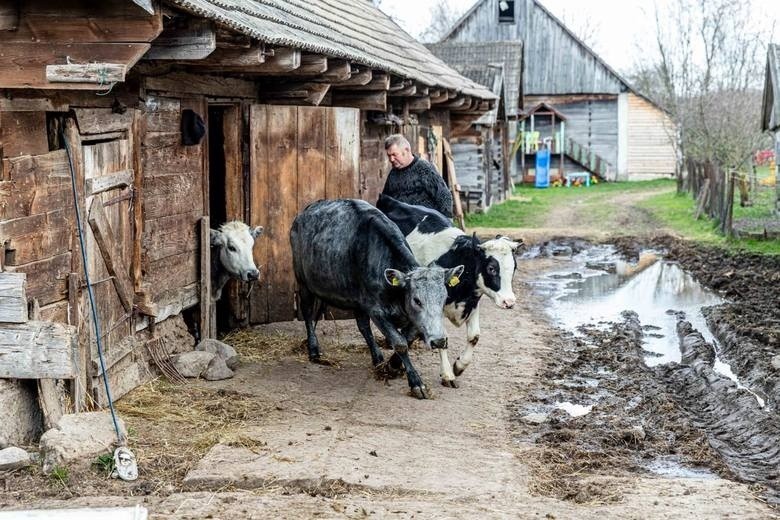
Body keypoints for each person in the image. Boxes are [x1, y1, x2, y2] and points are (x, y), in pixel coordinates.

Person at [379, 134, 453, 218]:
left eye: (394, 155)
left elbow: (444, 196)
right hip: (400, 224)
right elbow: (385, 200)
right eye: (389, 156)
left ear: (406, 150)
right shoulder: (393, 173)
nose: (391, 159)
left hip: (425, 225)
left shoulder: (424, 168)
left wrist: (447, 222)